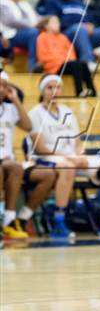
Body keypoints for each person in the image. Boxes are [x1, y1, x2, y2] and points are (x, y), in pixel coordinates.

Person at [28, 75, 100, 239]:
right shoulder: (35, 113)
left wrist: (80, 156)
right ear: (42, 91)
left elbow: (78, 142)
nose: (54, 91)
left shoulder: (67, 111)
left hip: (71, 157)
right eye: (49, 87)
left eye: (57, 87)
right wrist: (70, 158)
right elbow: (40, 148)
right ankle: (59, 219)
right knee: (68, 166)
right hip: (47, 158)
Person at [0, 71, 32, 239]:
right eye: (1, 85)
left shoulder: (10, 109)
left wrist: (16, 100)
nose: (3, 89)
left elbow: (28, 126)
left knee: (16, 167)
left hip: (6, 159)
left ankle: (9, 219)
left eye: (5, 86)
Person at [37, 15, 96, 97]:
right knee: (75, 64)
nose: (58, 24)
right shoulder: (42, 37)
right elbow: (42, 57)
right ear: (46, 26)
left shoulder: (63, 37)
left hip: (66, 64)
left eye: (58, 22)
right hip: (54, 67)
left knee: (82, 63)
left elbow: (71, 53)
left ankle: (92, 91)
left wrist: (67, 60)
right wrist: (61, 59)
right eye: (54, 22)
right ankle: (79, 91)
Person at [0, 0, 40, 71]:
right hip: (10, 36)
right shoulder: (2, 3)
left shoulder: (25, 4)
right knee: (33, 33)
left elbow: (38, 17)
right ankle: (32, 65)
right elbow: (10, 21)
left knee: (46, 32)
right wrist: (32, 25)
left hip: (27, 32)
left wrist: (49, 20)